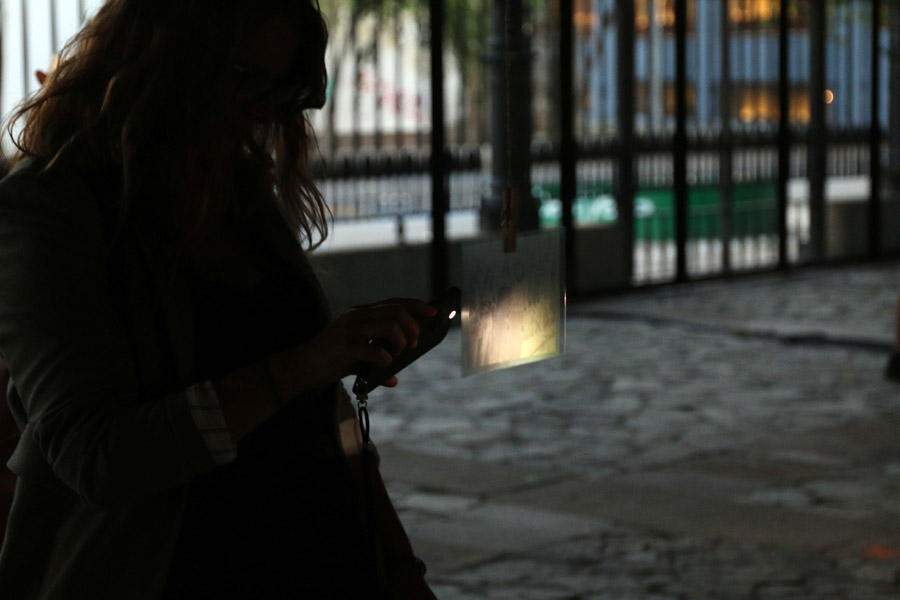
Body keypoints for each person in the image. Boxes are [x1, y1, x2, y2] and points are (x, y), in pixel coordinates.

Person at [0, 1, 438, 598]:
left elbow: (323, 409)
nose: (261, 113)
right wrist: (305, 364)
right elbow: (95, 457)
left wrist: (399, 563)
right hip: (169, 569)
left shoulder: (233, 189)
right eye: (245, 79)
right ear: (160, 60)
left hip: (319, 556)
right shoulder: (51, 210)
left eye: (278, 91)